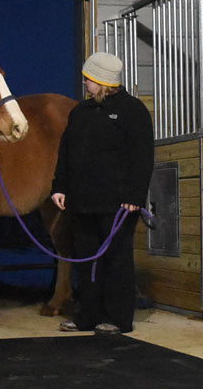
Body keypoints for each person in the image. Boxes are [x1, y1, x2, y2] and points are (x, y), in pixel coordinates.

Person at [51, 52, 154, 335]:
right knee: (86, 260)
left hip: (118, 204)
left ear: (104, 81)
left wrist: (135, 196)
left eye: (89, 78)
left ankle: (118, 319)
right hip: (82, 202)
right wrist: (59, 186)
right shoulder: (80, 112)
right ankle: (87, 317)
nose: (84, 82)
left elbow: (142, 157)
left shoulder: (132, 111)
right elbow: (66, 153)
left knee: (116, 260)